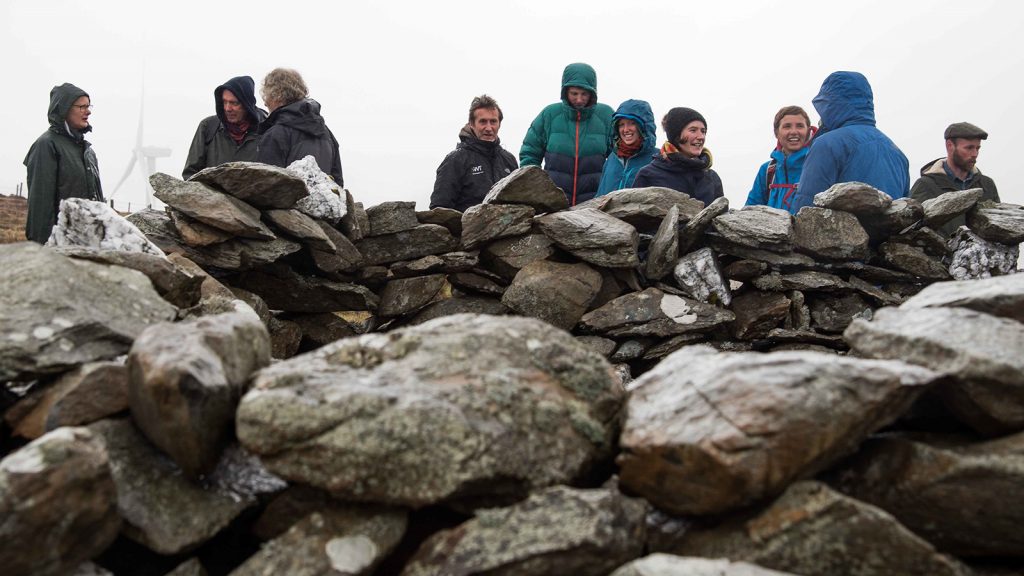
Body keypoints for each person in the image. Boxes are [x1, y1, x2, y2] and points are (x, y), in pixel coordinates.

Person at [793, 71, 909, 211]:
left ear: (830, 104)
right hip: (888, 233)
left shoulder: (826, 145)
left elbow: (806, 207)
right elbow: (903, 211)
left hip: (839, 232)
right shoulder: (898, 154)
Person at [519, 62, 614, 206]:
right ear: (565, 92)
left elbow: (619, 157)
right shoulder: (549, 114)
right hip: (553, 204)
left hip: (595, 204)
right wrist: (538, 190)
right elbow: (530, 153)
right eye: (574, 93)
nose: (579, 99)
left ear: (592, 93)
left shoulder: (606, 116)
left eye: (584, 94)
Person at [23, 83, 103, 244]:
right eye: (82, 107)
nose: (88, 111)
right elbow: (40, 204)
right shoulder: (46, 145)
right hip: (60, 246)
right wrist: (41, 249)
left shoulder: (87, 151)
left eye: (88, 106)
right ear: (64, 109)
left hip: (88, 244)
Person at [430, 95, 518, 212]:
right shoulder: (455, 160)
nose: (488, 127)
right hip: (466, 229)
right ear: (471, 124)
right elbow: (439, 209)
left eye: (493, 121)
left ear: (499, 124)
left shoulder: (509, 160)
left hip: (507, 229)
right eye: (482, 122)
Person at [910, 122, 999, 237]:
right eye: (969, 148)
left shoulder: (987, 185)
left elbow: (998, 230)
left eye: (977, 148)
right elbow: (912, 231)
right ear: (950, 146)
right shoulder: (925, 186)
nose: (975, 154)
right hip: (942, 254)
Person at [257, 68, 343, 185]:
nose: (265, 103)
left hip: (286, 202)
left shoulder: (276, 134)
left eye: (267, 96)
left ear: (277, 96)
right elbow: (337, 183)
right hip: (321, 201)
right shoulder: (326, 133)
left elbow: (264, 184)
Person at [632, 107, 723, 205]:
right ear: (675, 135)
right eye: (693, 130)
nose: (701, 136)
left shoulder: (712, 178)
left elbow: (721, 217)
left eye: (703, 131)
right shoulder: (648, 175)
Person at [182, 76, 266, 179]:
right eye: (224, 102)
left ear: (247, 104)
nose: (227, 108)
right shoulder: (208, 127)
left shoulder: (267, 129)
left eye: (234, 103)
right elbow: (190, 174)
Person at [744, 105, 816, 213]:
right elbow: (749, 213)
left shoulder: (818, 165)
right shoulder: (768, 171)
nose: (794, 131)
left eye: (800, 126)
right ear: (776, 133)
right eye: (787, 126)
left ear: (808, 131)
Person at [595, 99, 657, 197]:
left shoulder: (656, 159)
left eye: (631, 123)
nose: (625, 130)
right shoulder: (612, 158)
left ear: (643, 126)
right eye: (621, 124)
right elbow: (599, 195)